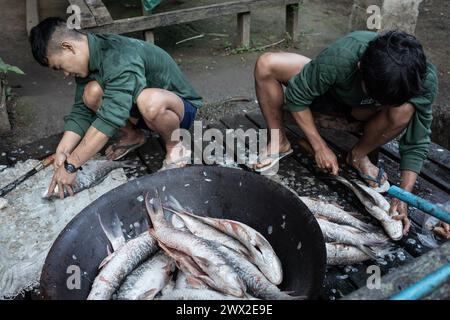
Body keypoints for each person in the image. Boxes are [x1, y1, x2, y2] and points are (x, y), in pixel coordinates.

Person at [253, 30, 439, 235]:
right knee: (266, 64)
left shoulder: (420, 80)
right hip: (331, 95)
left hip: (366, 116)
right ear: (360, 67)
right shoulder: (342, 56)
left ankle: (358, 155)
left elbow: (417, 142)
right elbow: (297, 97)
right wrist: (320, 147)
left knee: (404, 110)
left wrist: (403, 195)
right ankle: (279, 139)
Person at [29, 17, 202, 199]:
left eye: (60, 66)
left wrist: (72, 164)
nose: (65, 73)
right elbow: (82, 110)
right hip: (140, 111)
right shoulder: (90, 56)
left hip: (179, 111)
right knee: (91, 92)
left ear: (68, 47)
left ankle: (175, 147)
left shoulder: (119, 57)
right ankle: (133, 136)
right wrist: (64, 148)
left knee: (150, 101)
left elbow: (109, 118)